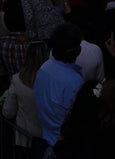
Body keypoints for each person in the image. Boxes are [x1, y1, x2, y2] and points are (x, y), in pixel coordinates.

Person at [34, 23, 85, 153]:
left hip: (46, 140)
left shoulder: (44, 67)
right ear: (75, 51)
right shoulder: (75, 82)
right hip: (63, 147)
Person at [3, 41, 48, 157]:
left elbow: (8, 112)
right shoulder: (55, 82)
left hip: (25, 139)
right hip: (47, 139)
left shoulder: (17, 80)